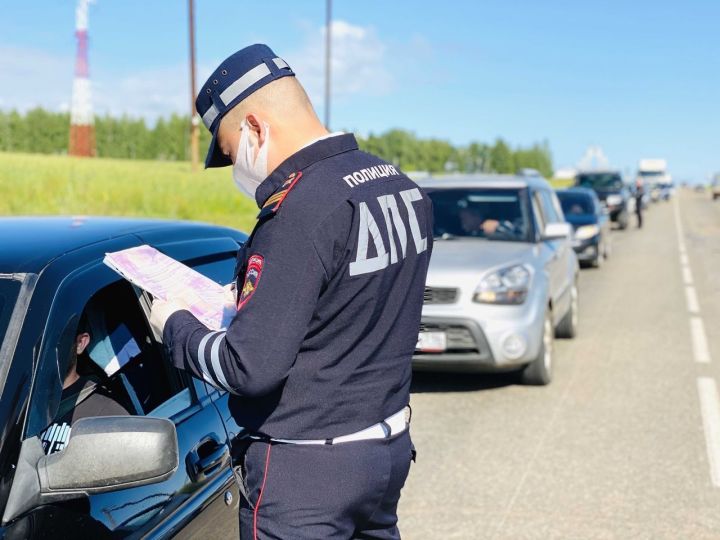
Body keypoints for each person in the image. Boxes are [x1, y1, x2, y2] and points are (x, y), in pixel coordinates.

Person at [149, 44, 433, 539]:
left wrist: (174, 325)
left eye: (233, 152)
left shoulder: (298, 212)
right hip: (383, 455)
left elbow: (249, 369)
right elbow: (353, 307)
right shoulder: (401, 188)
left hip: (307, 478)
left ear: (255, 128)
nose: (237, 168)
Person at [40, 317, 130, 455]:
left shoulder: (107, 414)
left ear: (80, 343)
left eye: (52, 338)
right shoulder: (16, 406)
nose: (41, 349)